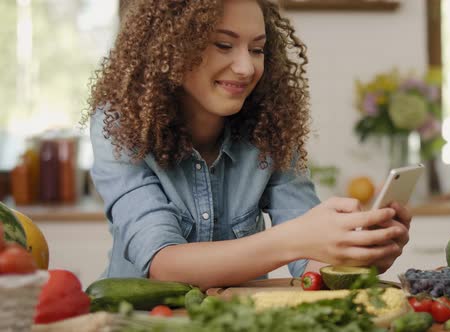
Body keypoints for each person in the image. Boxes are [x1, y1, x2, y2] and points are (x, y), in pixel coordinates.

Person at [83, 0, 412, 291]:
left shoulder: (272, 127)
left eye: (257, 49)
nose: (246, 67)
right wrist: (294, 239)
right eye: (224, 45)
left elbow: (311, 267)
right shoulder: (121, 124)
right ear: (168, 48)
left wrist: (358, 254)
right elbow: (163, 265)